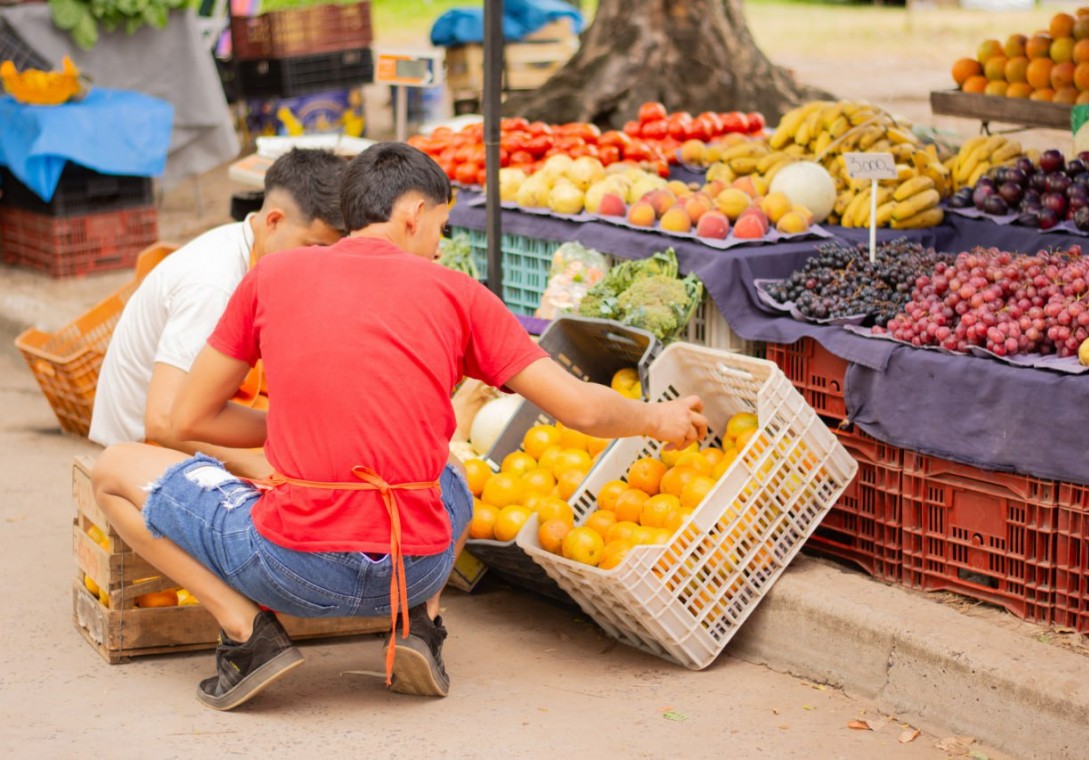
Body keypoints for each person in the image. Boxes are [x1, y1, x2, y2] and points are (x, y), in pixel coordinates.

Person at [90, 142, 707, 711]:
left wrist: (290, 427)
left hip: (287, 570)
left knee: (113, 469)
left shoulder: (271, 277)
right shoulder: (460, 293)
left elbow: (188, 418)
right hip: (418, 567)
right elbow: (585, 410)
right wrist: (661, 416)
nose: (440, 243)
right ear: (413, 213)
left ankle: (248, 632)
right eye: (442, 225)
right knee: (452, 469)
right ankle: (420, 626)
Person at [88, 148, 347, 478]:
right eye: (315, 247)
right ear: (274, 221)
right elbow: (163, 422)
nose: (322, 264)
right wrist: (258, 464)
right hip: (150, 447)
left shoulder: (263, 253)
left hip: (210, 416)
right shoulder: (213, 285)